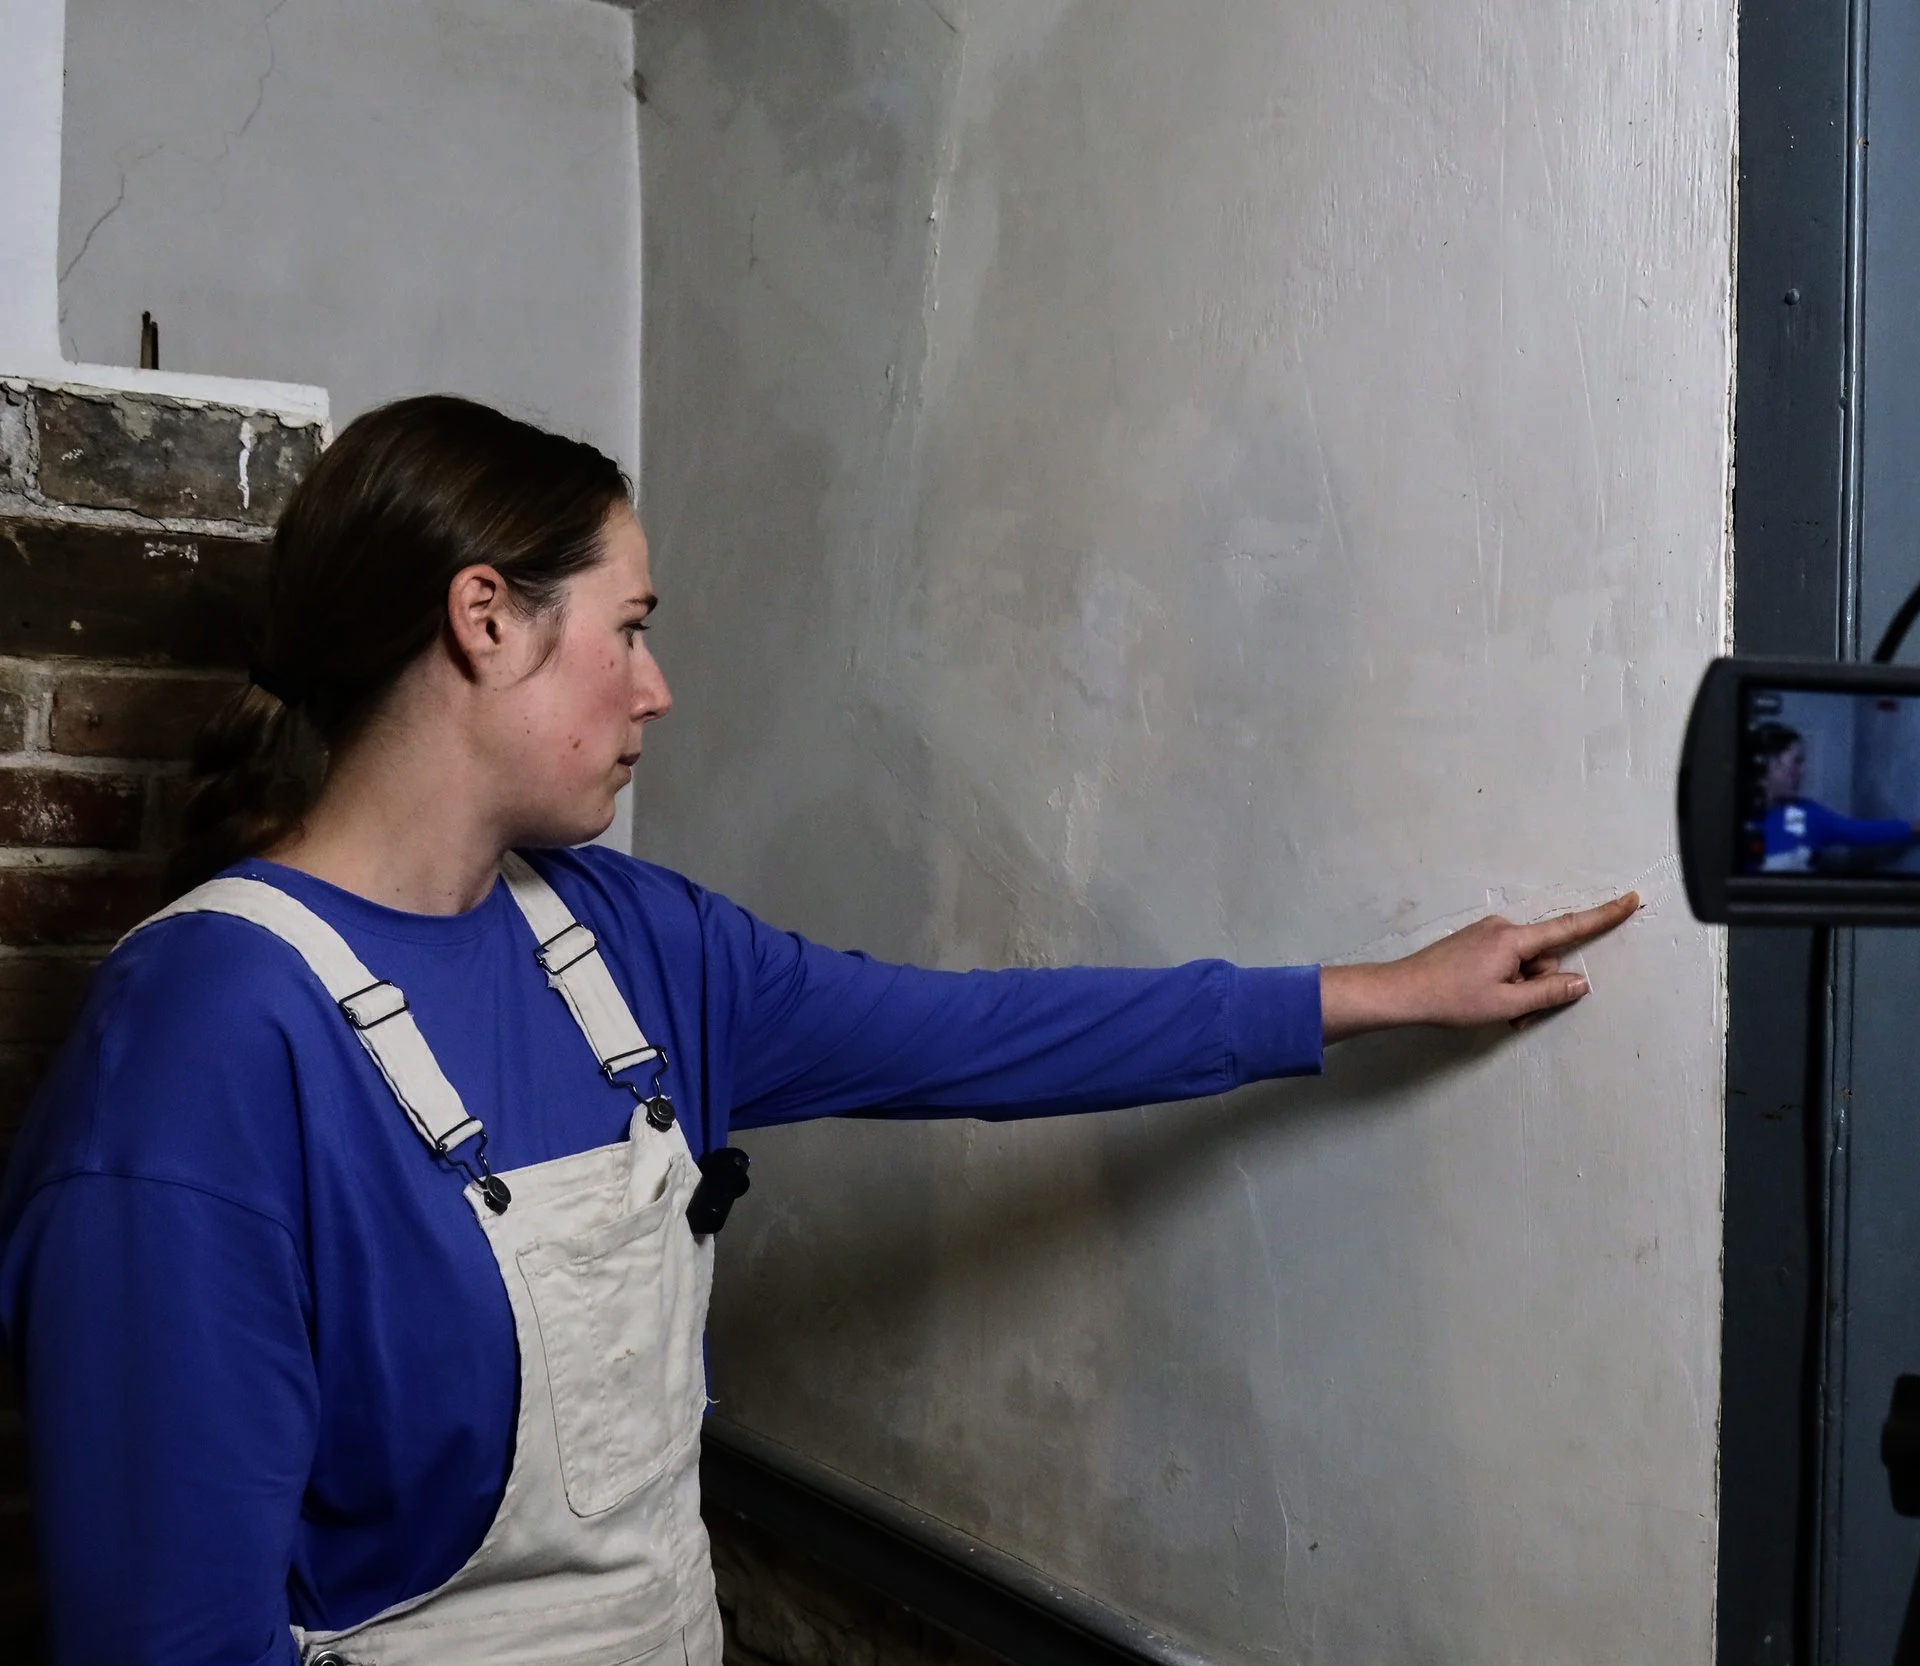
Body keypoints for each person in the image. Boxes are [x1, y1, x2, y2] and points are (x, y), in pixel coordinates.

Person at [0, 395, 1636, 1665]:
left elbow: (982, 1038)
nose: (658, 689)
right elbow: (165, 1629)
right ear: (484, 618)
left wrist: (1386, 992)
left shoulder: (623, 945)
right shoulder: (207, 1044)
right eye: (629, 627)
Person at [1744, 721, 1920, 872]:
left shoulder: (1806, 815)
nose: (1803, 772)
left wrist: (1917, 827)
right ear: (1767, 764)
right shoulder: (1733, 815)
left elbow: (1858, 832)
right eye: (1796, 762)